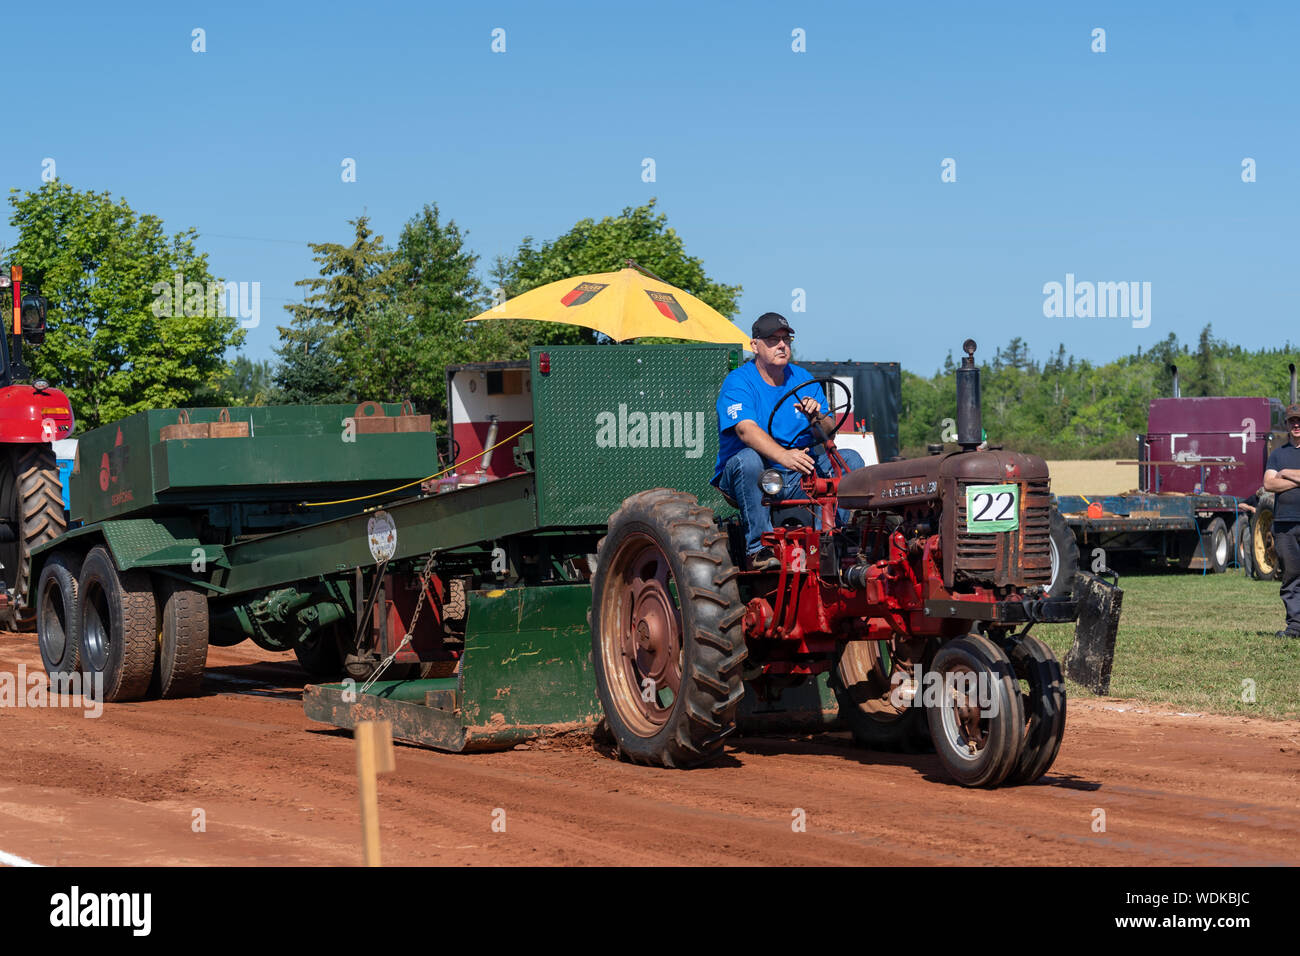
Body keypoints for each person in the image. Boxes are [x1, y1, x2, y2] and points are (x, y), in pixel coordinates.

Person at [712, 312, 865, 570]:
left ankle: (833, 542)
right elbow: (745, 431)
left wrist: (816, 416)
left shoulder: (803, 379)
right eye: (773, 340)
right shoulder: (739, 381)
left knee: (851, 459)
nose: (782, 345)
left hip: (797, 472)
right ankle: (758, 549)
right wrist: (784, 456)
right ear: (755, 345)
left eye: (786, 339)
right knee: (748, 460)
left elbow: (829, 431)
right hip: (756, 474)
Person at [1263, 404, 1300, 639]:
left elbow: (1277, 479)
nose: (1296, 425)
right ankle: (1295, 626)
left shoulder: (1282, 465)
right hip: (1285, 525)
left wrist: (1285, 473)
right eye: (1292, 421)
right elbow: (1269, 484)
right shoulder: (1277, 454)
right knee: (1291, 575)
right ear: (1286, 425)